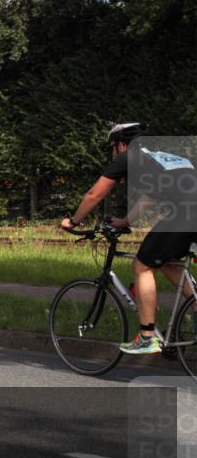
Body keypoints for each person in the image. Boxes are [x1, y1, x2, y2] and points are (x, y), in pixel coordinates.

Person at [61, 123, 197, 354]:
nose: (113, 154)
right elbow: (150, 197)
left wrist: (72, 222)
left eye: (113, 148)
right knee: (164, 262)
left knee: (142, 266)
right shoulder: (163, 158)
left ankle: (147, 337)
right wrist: (125, 221)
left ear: (121, 144)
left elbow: (96, 194)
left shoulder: (127, 156)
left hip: (188, 214)